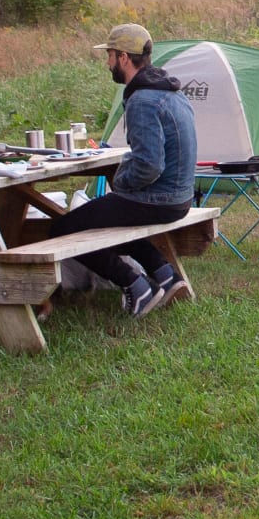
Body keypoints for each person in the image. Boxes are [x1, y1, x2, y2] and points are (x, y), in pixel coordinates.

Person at [42, 23, 196, 317]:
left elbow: (149, 166)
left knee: (63, 228)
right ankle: (164, 275)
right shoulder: (170, 90)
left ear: (124, 57)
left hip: (160, 200)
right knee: (109, 216)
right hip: (180, 197)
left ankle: (134, 285)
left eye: (110, 55)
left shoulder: (142, 100)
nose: (108, 62)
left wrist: (122, 182)